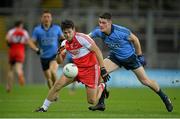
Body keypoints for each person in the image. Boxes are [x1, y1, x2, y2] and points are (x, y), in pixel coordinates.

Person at [88, 12, 173, 112]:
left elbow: (135, 40)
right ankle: (101, 104)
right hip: (115, 58)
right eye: (99, 22)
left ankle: (165, 98)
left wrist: (140, 55)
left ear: (110, 23)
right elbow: (86, 37)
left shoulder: (121, 31)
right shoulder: (98, 31)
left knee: (145, 81)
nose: (101, 25)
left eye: (103, 22)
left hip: (130, 58)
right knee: (98, 74)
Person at [35, 19, 110, 112]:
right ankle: (43, 108)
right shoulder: (64, 43)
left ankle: (102, 85)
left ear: (74, 30)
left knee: (92, 101)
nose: (68, 35)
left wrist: (102, 68)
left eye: (69, 32)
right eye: (65, 33)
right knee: (57, 85)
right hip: (76, 69)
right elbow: (59, 62)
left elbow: (97, 51)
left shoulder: (82, 38)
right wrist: (58, 54)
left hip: (90, 69)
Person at [29, 10, 65, 89]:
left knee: (53, 71)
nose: (46, 18)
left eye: (48, 17)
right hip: (44, 57)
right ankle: (51, 92)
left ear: (51, 18)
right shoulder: (37, 30)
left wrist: (62, 46)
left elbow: (63, 39)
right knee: (48, 79)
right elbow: (31, 42)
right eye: (44, 17)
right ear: (41, 19)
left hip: (54, 55)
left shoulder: (57, 28)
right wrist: (36, 49)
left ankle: (56, 91)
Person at [6, 20, 30, 92]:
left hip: (12, 49)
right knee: (19, 67)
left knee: (10, 69)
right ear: (21, 25)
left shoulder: (11, 31)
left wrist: (9, 44)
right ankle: (20, 74)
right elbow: (27, 41)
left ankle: (9, 87)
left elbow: (7, 39)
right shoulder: (24, 32)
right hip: (20, 50)